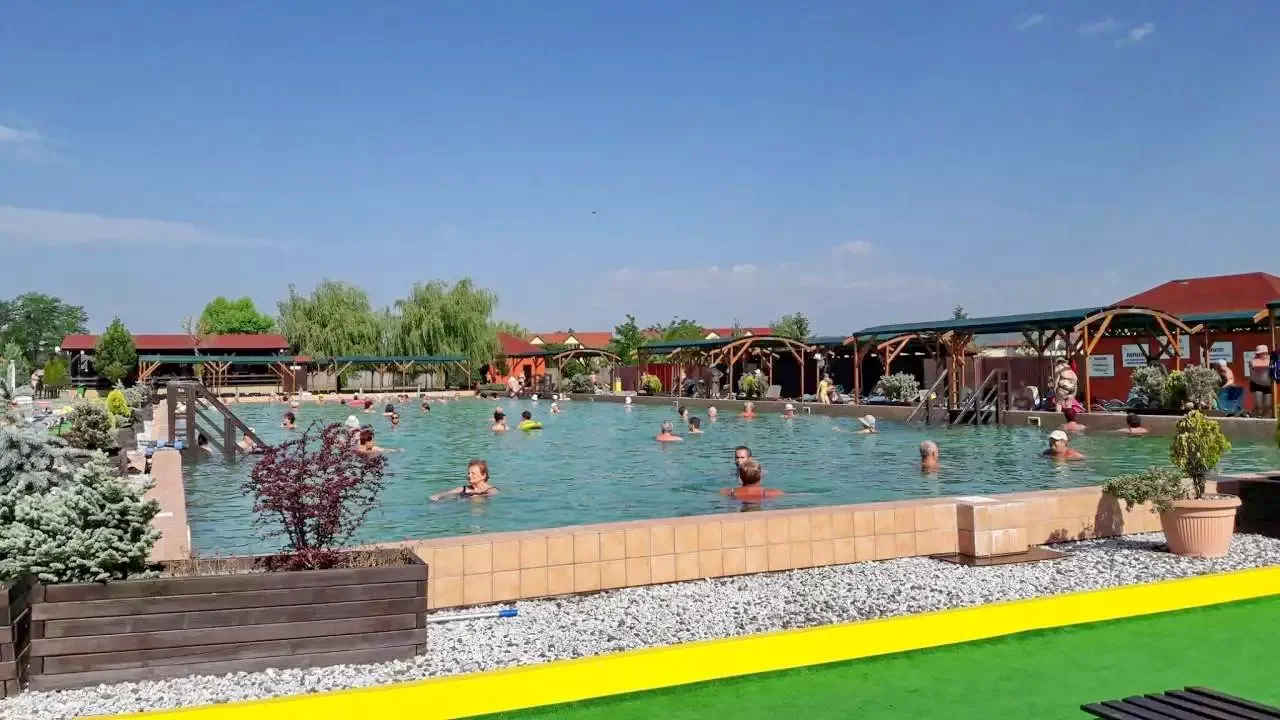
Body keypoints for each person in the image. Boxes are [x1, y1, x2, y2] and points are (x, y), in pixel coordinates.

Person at [431, 459, 500, 501]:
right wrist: (437, 496)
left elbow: (493, 495)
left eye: (473, 473)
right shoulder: (464, 489)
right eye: (469, 473)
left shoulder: (491, 490)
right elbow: (449, 492)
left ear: (483, 475)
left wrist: (477, 497)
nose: (469, 476)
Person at [1250, 345, 1272, 414]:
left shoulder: (1271, 360)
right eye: (1260, 353)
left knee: (1268, 405)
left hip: (1268, 385)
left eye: (1264, 353)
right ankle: (1256, 415)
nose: (1262, 355)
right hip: (1257, 385)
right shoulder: (1253, 361)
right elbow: (1253, 366)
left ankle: (1265, 417)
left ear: (1266, 352)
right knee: (1259, 405)